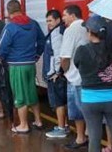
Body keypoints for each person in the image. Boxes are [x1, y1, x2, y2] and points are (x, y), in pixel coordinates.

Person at [74, 15, 112, 152]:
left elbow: (77, 65)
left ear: (90, 32)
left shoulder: (82, 50)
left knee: (94, 138)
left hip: (90, 99)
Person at [0, 0, 45, 133]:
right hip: (31, 63)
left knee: (20, 95)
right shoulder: (33, 23)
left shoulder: (10, 26)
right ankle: (38, 120)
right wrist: (36, 56)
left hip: (17, 65)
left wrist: (1, 57)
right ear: (21, 8)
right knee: (32, 92)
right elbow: (42, 41)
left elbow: (2, 46)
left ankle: (23, 125)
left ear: (8, 11)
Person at [60, 5, 89, 149]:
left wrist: (65, 71)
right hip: (87, 76)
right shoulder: (87, 27)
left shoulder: (70, 30)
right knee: (87, 109)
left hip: (74, 77)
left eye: (64, 15)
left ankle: (80, 137)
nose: (63, 18)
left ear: (72, 15)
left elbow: (65, 57)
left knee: (78, 110)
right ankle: (88, 136)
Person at [43, 10, 68, 138]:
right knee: (62, 101)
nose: (48, 23)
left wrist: (56, 73)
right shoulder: (59, 31)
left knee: (58, 103)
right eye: (47, 21)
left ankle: (61, 128)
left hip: (55, 75)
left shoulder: (56, 34)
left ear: (58, 20)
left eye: (51, 20)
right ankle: (65, 125)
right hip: (60, 73)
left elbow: (57, 54)